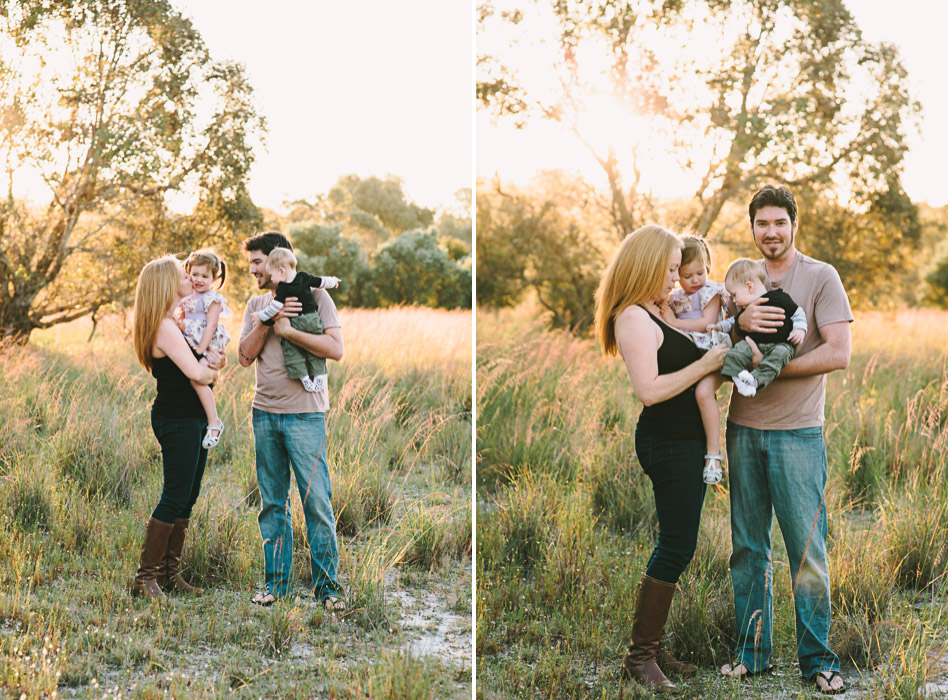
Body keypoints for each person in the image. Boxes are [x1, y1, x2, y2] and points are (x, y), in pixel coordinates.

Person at [719, 185, 852, 695]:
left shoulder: (821, 277)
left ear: (794, 224)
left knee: (807, 552)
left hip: (799, 433)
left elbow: (837, 352)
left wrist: (769, 368)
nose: (770, 232)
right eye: (761, 224)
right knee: (748, 550)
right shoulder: (739, 279)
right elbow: (715, 339)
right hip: (743, 431)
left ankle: (818, 660)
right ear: (751, 227)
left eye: (779, 222)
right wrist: (738, 323)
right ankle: (752, 655)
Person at [594, 225, 729, 691]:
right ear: (647, 264)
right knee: (678, 544)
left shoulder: (657, 311)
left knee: (676, 542)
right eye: (670, 268)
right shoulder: (632, 317)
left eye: (678, 268)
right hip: (667, 442)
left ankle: (653, 645)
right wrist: (707, 365)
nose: (675, 278)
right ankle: (641, 655)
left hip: (685, 440)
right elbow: (649, 391)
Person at [238, 231, 346, 611]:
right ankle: (276, 586)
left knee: (316, 501)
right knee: (272, 504)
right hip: (264, 415)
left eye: (257, 262)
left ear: (278, 263)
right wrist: (268, 324)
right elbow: (244, 357)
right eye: (250, 263)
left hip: (305, 416)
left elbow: (336, 349)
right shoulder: (255, 304)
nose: (252, 270)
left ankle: (328, 589)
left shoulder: (317, 297)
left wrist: (289, 331)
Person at [131, 256, 225, 600]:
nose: (189, 278)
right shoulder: (164, 326)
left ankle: (170, 574)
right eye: (181, 275)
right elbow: (199, 374)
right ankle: (145, 578)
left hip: (192, 417)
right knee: (174, 495)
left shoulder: (176, 322)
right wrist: (212, 371)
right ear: (167, 285)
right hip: (177, 418)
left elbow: (207, 361)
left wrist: (215, 362)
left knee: (188, 495)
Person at [661, 235, 733, 484]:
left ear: (708, 267)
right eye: (687, 275)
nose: (695, 281)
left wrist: (676, 323)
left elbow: (706, 324)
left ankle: (713, 454)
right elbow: (663, 313)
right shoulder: (674, 297)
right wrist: (668, 315)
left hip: (713, 352)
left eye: (700, 272)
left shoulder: (710, 291)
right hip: (692, 355)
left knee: (703, 393)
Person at [252, 247, 340, 393]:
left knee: (291, 350)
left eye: (272, 275)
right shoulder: (304, 277)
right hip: (312, 319)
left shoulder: (282, 289)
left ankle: (304, 378)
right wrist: (333, 281)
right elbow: (321, 281)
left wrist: (260, 315)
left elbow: (275, 308)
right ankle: (318, 377)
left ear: (281, 271)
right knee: (315, 352)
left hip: (297, 323)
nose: (272, 279)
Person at [715, 258, 806, 397]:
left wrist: (799, 329)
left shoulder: (779, 297)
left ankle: (756, 381)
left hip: (780, 344)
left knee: (778, 357)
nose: (733, 300)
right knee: (734, 354)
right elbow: (733, 321)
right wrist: (720, 327)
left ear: (750, 287)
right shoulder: (746, 310)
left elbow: (797, 312)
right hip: (752, 345)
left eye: (734, 295)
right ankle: (740, 379)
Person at [175, 249, 232, 448]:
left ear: (214, 278)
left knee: (197, 379)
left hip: (208, 343)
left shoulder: (211, 298)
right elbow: (182, 318)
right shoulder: (187, 296)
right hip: (192, 340)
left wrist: (201, 349)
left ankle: (214, 422)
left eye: (205, 276)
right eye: (195, 274)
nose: (199, 279)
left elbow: (211, 326)